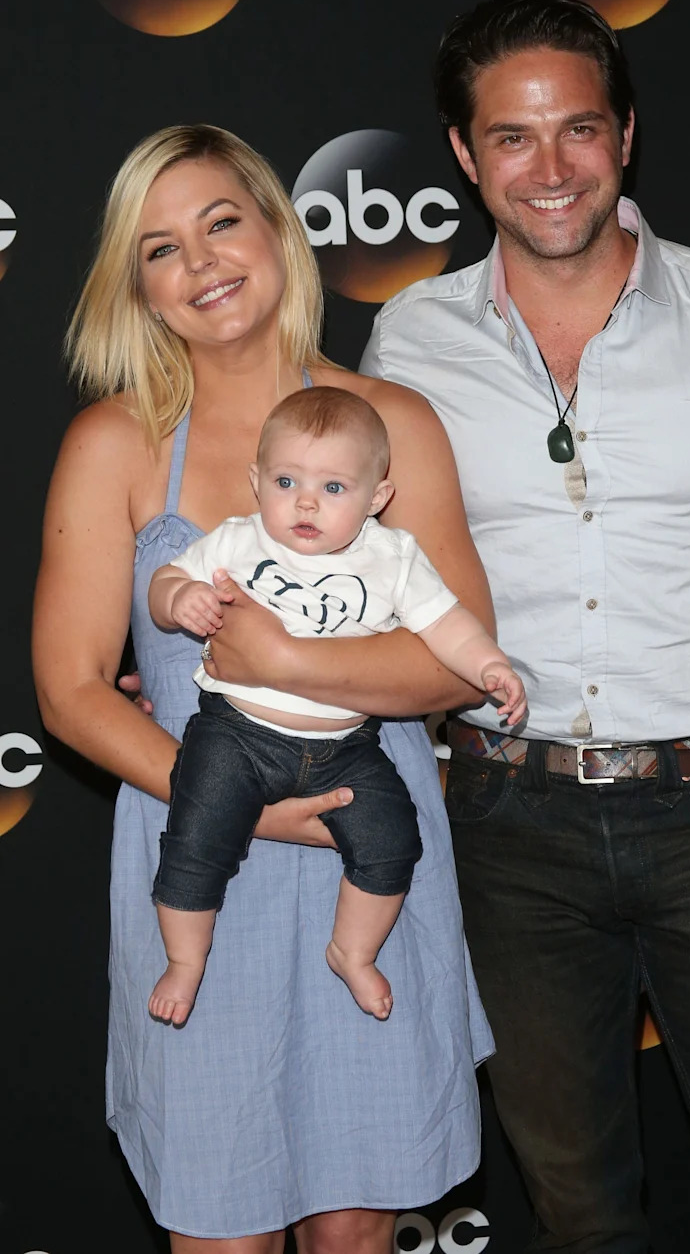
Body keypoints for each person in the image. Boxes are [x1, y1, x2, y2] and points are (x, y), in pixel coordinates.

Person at [356, 0, 690, 1254]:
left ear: (627, 135)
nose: (551, 170)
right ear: (462, 154)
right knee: (581, 1215)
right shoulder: (409, 340)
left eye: (578, 130)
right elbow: (384, 591)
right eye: (512, 138)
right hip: (504, 826)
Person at [32, 123, 494, 1252]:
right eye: (160, 249)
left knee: (354, 1231)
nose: (201, 263)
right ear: (137, 291)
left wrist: (283, 659)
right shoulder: (115, 443)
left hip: (362, 866)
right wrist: (232, 801)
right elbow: (72, 689)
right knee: (219, 1232)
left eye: (220, 222)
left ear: (278, 230)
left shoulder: (398, 427)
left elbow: (452, 655)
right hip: (201, 866)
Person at [148, 384, 525, 1026]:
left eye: (333, 488)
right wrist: (178, 599)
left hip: (345, 749)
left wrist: (488, 664)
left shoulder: (392, 558)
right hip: (234, 733)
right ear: (256, 480)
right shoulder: (238, 542)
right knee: (195, 836)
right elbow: (165, 582)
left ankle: (353, 950)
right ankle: (184, 961)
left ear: (377, 499)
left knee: (393, 839)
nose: (304, 503)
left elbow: (446, 624)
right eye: (287, 480)